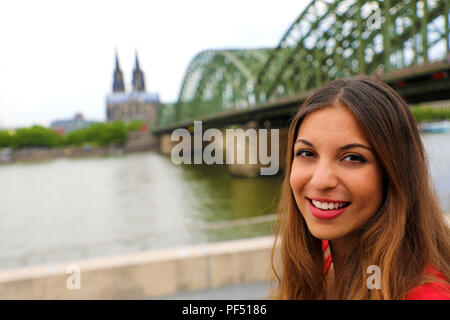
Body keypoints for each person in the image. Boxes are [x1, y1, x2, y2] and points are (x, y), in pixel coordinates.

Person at [270, 76, 450, 300]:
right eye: (307, 153)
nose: (320, 181)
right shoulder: (326, 253)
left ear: (396, 173)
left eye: (352, 158)